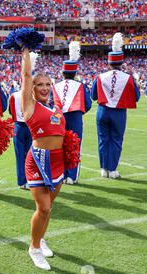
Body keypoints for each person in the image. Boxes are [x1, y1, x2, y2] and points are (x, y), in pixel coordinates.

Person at [21, 46, 66, 271]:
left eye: (48, 84)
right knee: (44, 208)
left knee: (49, 207)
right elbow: (26, 75)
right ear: (33, 88)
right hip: (38, 160)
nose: (45, 88)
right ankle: (34, 247)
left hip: (58, 162)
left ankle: (41, 238)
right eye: (40, 84)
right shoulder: (29, 106)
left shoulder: (56, 109)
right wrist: (26, 50)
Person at [91, 33, 140, 179]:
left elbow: (93, 96)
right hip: (118, 112)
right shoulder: (128, 78)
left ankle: (103, 169)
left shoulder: (99, 77)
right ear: (122, 63)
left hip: (102, 111)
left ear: (109, 63)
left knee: (103, 140)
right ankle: (112, 170)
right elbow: (136, 97)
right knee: (116, 140)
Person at [52, 41, 91, 184]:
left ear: (62, 73)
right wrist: (79, 112)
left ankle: (60, 174)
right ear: (75, 73)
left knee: (59, 145)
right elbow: (88, 104)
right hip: (75, 116)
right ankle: (71, 176)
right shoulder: (80, 85)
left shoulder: (55, 85)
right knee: (74, 146)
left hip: (58, 118)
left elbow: (51, 103)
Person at [9, 89, 32, 189]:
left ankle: (22, 181)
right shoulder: (33, 94)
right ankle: (30, 180)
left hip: (18, 126)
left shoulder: (14, 95)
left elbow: (10, 111)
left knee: (20, 155)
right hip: (30, 126)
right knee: (30, 155)